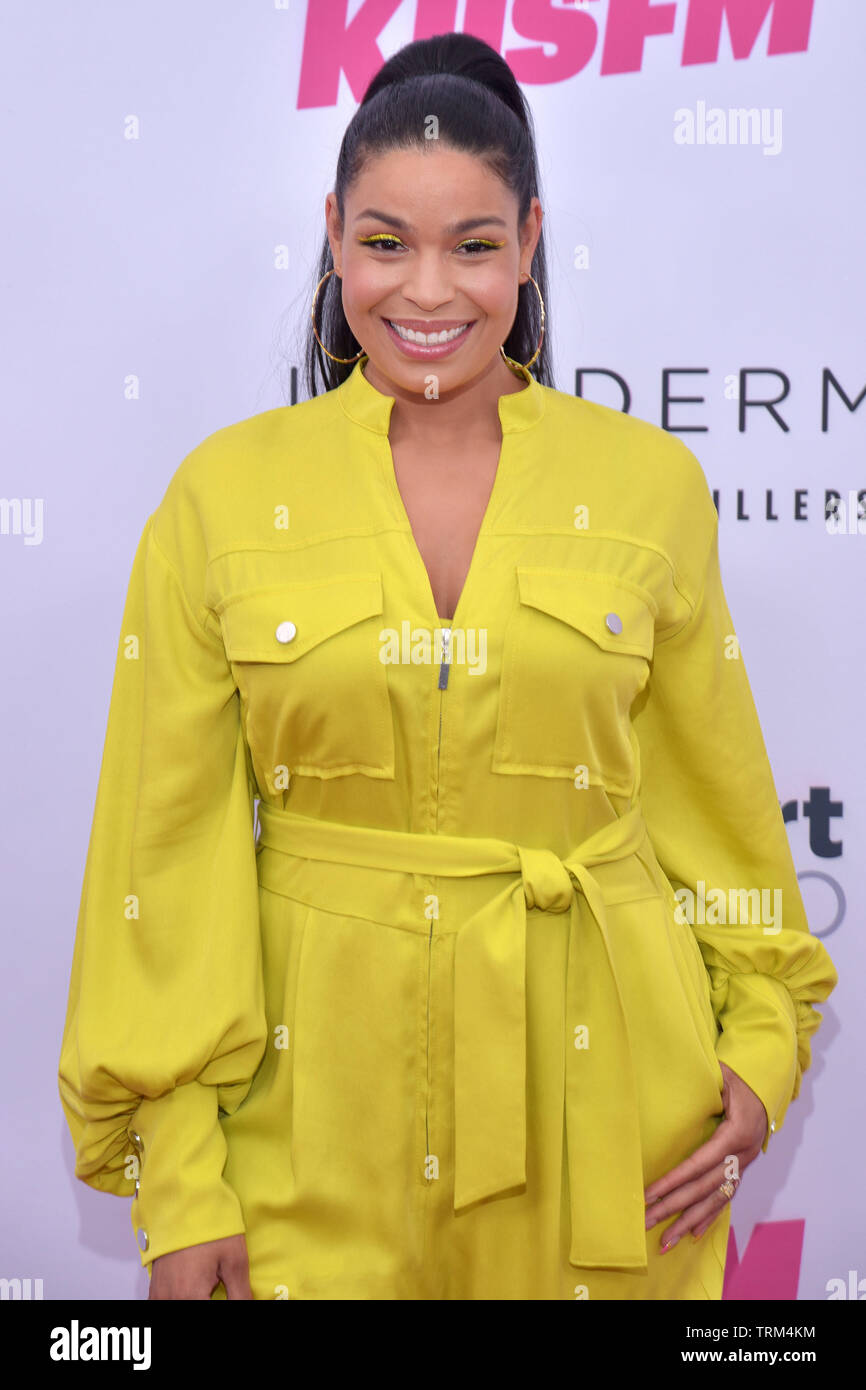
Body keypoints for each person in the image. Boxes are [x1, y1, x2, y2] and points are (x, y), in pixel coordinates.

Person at [58, 32, 838, 1301]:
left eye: (473, 244)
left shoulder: (647, 487)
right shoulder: (221, 496)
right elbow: (162, 857)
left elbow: (717, 813)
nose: (428, 291)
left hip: (611, 1126)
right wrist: (182, 1176)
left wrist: (756, 1042)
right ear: (332, 234)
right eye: (384, 243)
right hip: (305, 1130)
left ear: (530, 242)